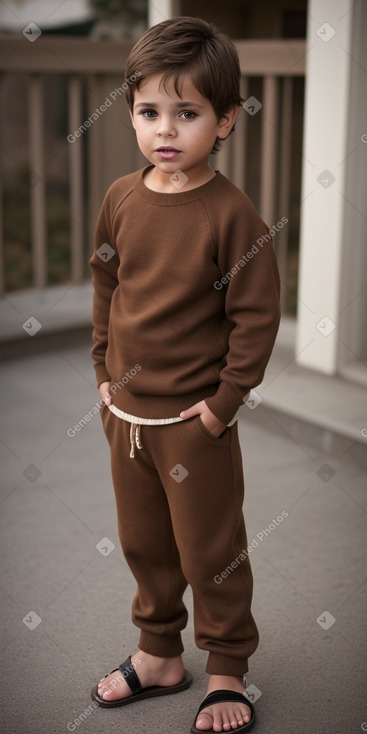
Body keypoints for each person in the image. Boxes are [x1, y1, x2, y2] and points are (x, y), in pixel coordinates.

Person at [89, 16, 280, 733]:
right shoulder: (120, 196)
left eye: (187, 113)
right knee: (144, 542)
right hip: (127, 416)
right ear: (131, 111)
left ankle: (226, 665)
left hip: (194, 424)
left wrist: (223, 404)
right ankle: (160, 653)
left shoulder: (230, 214)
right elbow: (107, 286)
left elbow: (255, 315)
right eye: (148, 111)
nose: (164, 130)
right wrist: (103, 374)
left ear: (225, 120)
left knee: (210, 550)